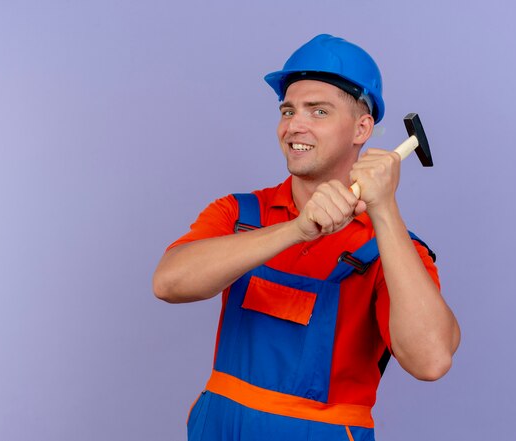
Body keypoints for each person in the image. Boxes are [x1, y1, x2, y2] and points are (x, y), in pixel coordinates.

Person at [153, 34, 460, 441]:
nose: (294, 125)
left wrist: (384, 210)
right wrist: (295, 230)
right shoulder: (241, 214)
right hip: (221, 425)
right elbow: (169, 283)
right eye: (288, 110)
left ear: (362, 128)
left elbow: (431, 360)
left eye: (319, 111)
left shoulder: (393, 249)